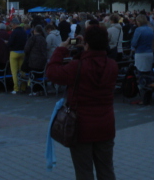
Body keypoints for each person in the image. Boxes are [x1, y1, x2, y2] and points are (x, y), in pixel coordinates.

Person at [47, 26, 118, 180]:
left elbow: (52, 72)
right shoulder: (112, 65)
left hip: (81, 126)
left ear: (86, 43)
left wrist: (62, 48)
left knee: (84, 171)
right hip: (105, 123)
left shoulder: (77, 66)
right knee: (106, 170)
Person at [7, 19, 27, 94]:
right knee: (22, 71)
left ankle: (16, 88)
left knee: (14, 72)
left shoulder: (14, 32)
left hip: (14, 52)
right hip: (22, 52)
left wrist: (7, 44)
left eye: (11, 24)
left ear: (14, 24)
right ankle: (23, 87)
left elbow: (10, 43)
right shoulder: (24, 32)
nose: (11, 26)